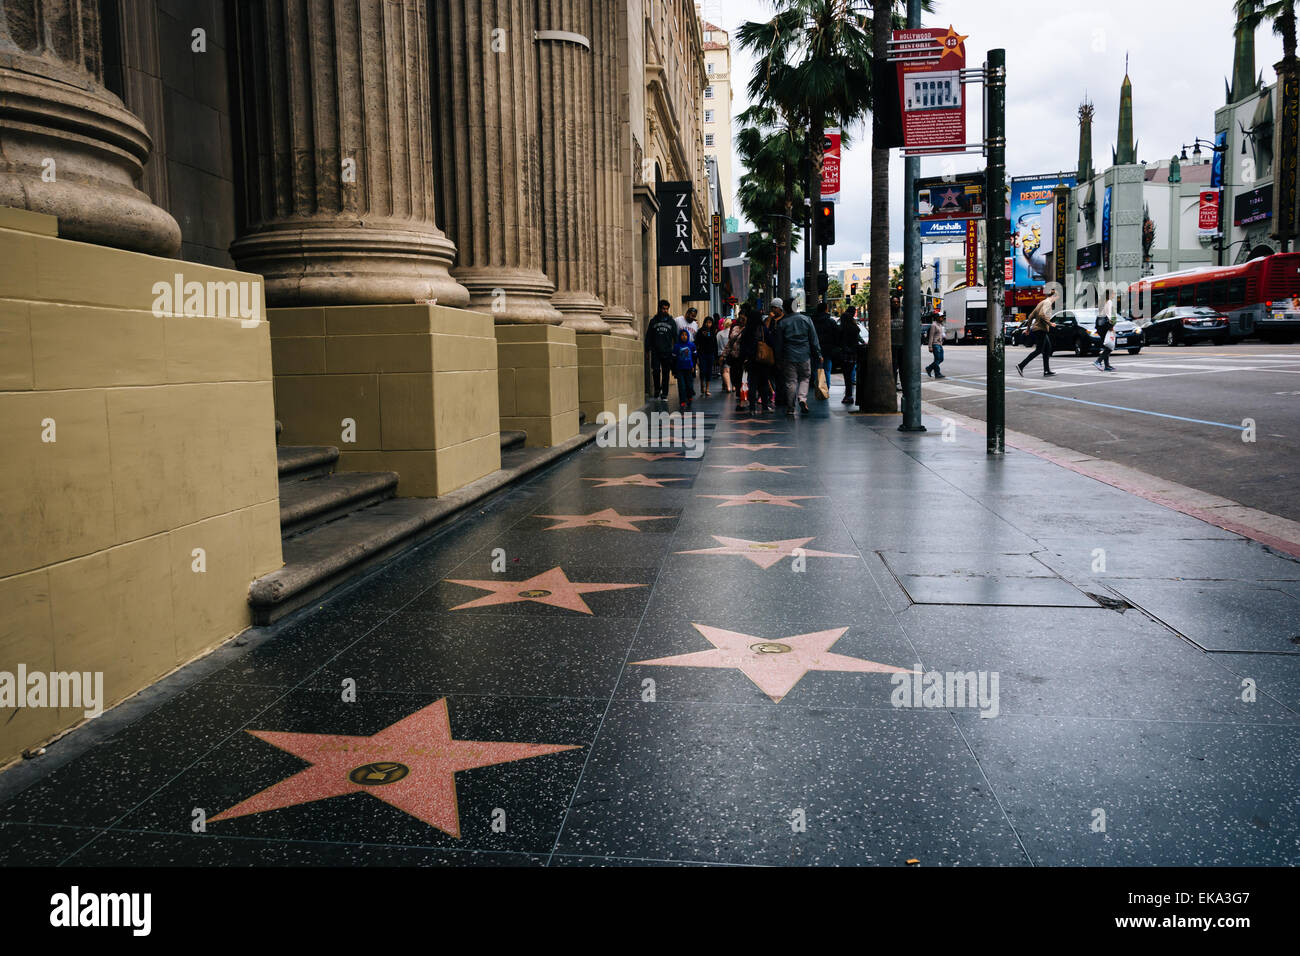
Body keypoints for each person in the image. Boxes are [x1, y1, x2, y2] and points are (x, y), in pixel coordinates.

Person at [772, 299, 823, 416]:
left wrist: (778, 359)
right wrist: (818, 354)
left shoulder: (782, 323)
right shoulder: (806, 319)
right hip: (804, 355)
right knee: (805, 378)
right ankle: (802, 399)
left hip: (788, 356)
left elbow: (778, 344)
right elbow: (814, 340)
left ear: (785, 308)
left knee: (791, 382)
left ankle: (790, 407)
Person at [740, 300, 776, 414]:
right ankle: (765, 407)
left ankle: (752, 408)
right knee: (764, 384)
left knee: (753, 384)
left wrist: (745, 358)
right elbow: (770, 342)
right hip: (763, 360)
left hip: (751, 360)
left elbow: (743, 346)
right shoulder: (763, 328)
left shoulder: (747, 330)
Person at [1016, 290, 1058, 378]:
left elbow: (1031, 316)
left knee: (1047, 348)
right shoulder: (1047, 303)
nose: (1056, 300)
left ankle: (1046, 370)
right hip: (1040, 329)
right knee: (1039, 350)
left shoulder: (1041, 302)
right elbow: (1042, 315)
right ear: (1053, 296)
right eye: (1056, 298)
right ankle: (1021, 365)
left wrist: (1028, 329)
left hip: (1038, 329)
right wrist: (1050, 323)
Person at [645, 299, 677, 402]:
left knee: (666, 373)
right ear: (659, 308)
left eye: (667, 309)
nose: (665, 310)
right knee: (656, 371)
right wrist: (647, 350)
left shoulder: (672, 321)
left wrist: (675, 351)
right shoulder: (653, 321)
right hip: (655, 351)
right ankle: (657, 389)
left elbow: (675, 337)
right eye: (663, 308)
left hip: (667, 351)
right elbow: (648, 336)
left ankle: (665, 393)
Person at [811, 301, 839, 400]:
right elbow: (837, 335)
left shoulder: (812, 320)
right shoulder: (830, 321)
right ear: (826, 309)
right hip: (828, 349)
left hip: (815, 348)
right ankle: (825, 389)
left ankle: (818, 387)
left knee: (816, 369)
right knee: (827, 369)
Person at [838, 306, 860, 404]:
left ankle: (848, 395)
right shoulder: (855, 328)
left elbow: (840, 341)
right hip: (853, 354)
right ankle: (849, 395)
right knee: (850, 375)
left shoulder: (842, 329)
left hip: (845, 354)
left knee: (847, 376)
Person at [727, 312, 749, 409]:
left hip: (743, 358)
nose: (740, 320)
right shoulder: (735, 328)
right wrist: (723, 355)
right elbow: (730, 342)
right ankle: (739, 394)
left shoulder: (748, 329)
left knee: (742, 378)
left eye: (743, 319)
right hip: (734, 357)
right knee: (734, 377)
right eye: (739, 318)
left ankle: (742, 398)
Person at [672, 327, 696, 410]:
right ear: (680, 336)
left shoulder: (691, 345)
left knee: (689, 385)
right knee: (681, 386)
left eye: (686, 335)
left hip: (689, 368)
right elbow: (674, 359)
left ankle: (689, 397)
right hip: (679, 369)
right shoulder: (676, 346)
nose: (684, 336)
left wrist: (693, 366)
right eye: (682, 335)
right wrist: (674, 370)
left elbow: (694, 357)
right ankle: (682, 401)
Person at [695, 315, 718, 397]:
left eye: (710, 323)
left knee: (709, 372)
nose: (708, 324)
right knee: (702, 370)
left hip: (710, 354)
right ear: (704, 323)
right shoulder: (700, 331)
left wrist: (716, 356)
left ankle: (707, 389)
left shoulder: (713, 332)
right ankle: (702, 385)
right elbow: (696, 343)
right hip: (702, 354)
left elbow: (715, 344)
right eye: (707, 322)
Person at [889, 295, 905, 392]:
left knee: (903, 368)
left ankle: (904, 385)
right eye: (894, 302)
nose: (896, 303)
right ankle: (893, 385)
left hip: (902, 346)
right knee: (893, 368)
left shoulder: (903, 314)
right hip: (892, 346)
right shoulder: (887, 314)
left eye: (897, 302)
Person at [925, 312, 947, 379]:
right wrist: (930, 346)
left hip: (940, 344)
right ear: (937, 317)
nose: (942, 318)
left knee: (941, 359)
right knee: (937, 359)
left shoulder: (940, 325)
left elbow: (940, 334)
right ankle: (937, 373)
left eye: (942, 317)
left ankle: (929, 368)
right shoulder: (933, 325)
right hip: (935, 344)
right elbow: (931, 336)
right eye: (941, 317)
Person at [716, 318, 732, 392]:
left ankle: (727, 386)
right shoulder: (733, 333)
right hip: (731, 354)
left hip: (721, 354)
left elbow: (717, 344)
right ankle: (732, 386)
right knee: (730, 370)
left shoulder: (719, 334)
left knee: (724, 370)